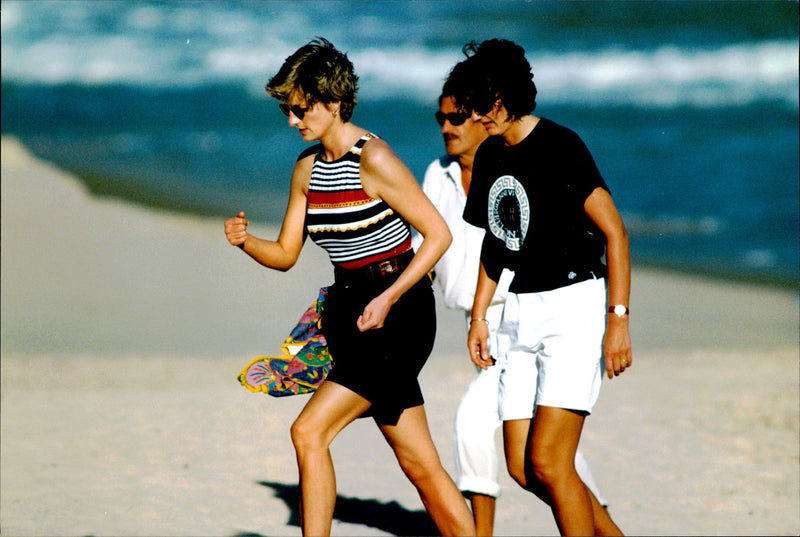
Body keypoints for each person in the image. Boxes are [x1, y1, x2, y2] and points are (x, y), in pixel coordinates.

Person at [224, 37, 475, 537]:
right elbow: (286, 255)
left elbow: (438, 235)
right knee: (420, 465)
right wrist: (246, 241)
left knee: (308, 431)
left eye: (299, 110)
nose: (292, 122)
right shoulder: (306, 169)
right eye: (286, 111)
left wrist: (387, 297)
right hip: (348, 314)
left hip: (397, 315)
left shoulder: (375, 159)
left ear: (333, 103)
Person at [447, 39, 632, 536]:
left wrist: (618, 321)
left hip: (574, 306)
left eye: (481, 107)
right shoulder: (488, 156)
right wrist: (480, 317)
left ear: (505, 97)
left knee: (551, 463)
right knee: (523, 468)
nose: (476, 117)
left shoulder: (561, 146)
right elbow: (496, 244)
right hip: (519, 311)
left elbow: (615, 232)